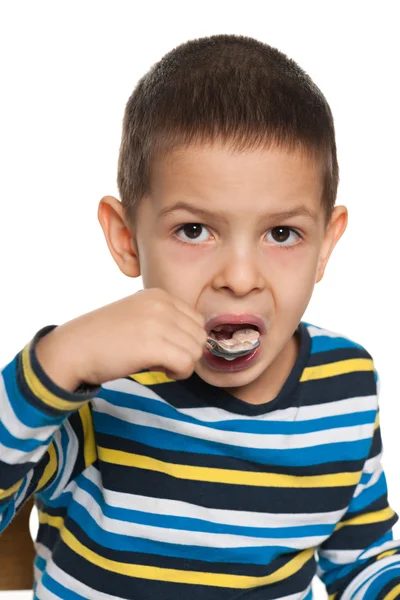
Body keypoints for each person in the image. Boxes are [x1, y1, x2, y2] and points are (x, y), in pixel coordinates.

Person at [1, 33, 399, 600]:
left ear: (325, 246)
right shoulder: (98, 389)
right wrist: (58, 361)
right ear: (126, 238)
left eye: (282, 233)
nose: (240, 276)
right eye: (194, 230)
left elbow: (361, 560)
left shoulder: (346, 386)